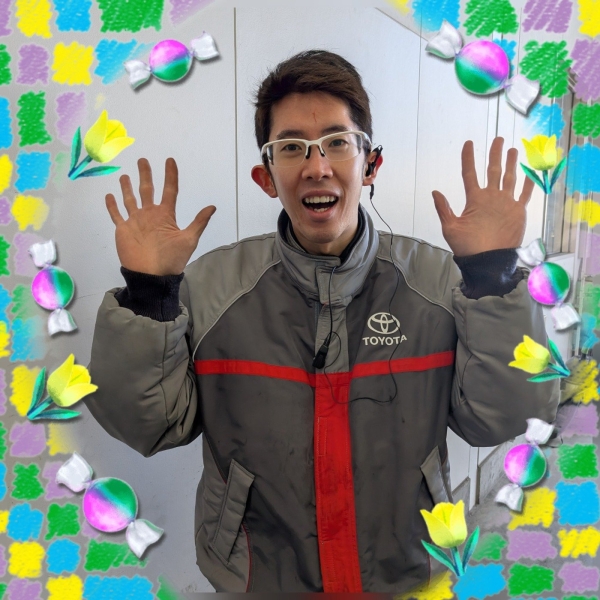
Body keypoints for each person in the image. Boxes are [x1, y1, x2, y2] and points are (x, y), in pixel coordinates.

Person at [85, 50, 559, 593]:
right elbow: (149, 426)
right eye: (291, 147)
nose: (317, 166)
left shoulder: (440, 287)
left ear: (370, 164)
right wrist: (149, 293)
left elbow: (501, 420)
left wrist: (492, 275)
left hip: (409, 570)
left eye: (338, 142)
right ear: (266, 177)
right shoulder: (211, 291)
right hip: (257, 577)